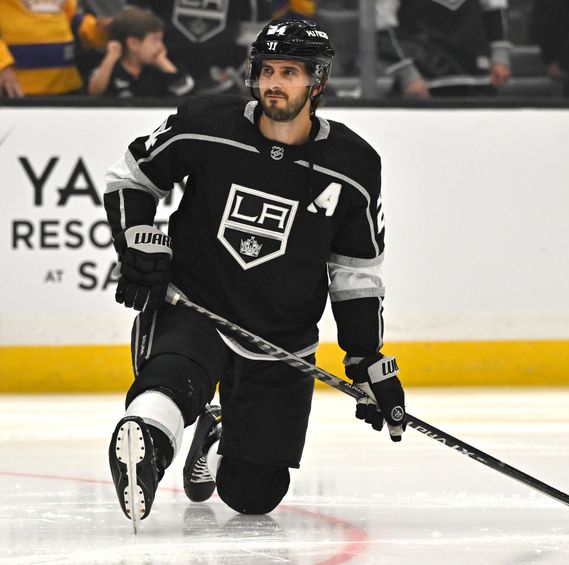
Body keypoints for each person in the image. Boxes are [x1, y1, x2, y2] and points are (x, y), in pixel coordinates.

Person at [103, 19, 406, 522]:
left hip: (282, 333)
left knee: (253, 495)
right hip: (196, 305)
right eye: (266, 70)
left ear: (318, 81)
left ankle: (216, 430)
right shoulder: (206, 123)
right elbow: (130, 177)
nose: (273, 82)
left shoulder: (353, 166)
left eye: (289, 71)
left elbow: (355, 272)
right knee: (172, 381)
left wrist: (366, 359)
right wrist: (137, 236)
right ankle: (148, 445)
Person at [125, 0, 275, 95]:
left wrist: (237, 75)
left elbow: (259, 40)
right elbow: (133, 27)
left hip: (223, 85)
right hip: (162, 78)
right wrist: (160, 65)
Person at [376, 0, 513, 98]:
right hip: (423, 80)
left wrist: (500, 53)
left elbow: (495, 7)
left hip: (476, 77)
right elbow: (381, 23)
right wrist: (407, 74)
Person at [0, 0, 109, 97]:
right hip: (16, 90)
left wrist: (99, 30)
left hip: (66, 86)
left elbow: (73, 18)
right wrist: (3, 65)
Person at [87, 7, 193, 97]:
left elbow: (187, 93)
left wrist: (164, 63)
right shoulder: (111, 67)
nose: (161, 46)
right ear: (133, 43)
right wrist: (110, 57)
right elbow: (94, 92)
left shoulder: (159, 70)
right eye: (155, 40)